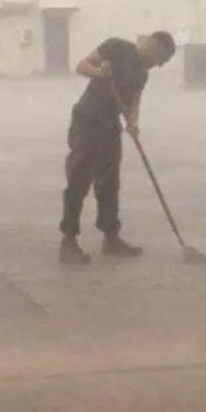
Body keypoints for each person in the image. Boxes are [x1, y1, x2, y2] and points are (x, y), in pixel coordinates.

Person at [59, 32, 177, 265]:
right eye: (158, 59)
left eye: (160, 63)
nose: (156, 65)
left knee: (110, 184)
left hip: (110, 126)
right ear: (152, 46)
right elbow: (82, 66)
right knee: (78, 181)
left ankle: (111, 237)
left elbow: (134, 101)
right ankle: (68, 241)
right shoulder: (116, 47)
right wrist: (99, 72)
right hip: (87, 121)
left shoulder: (142, 74)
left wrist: (132, 123)